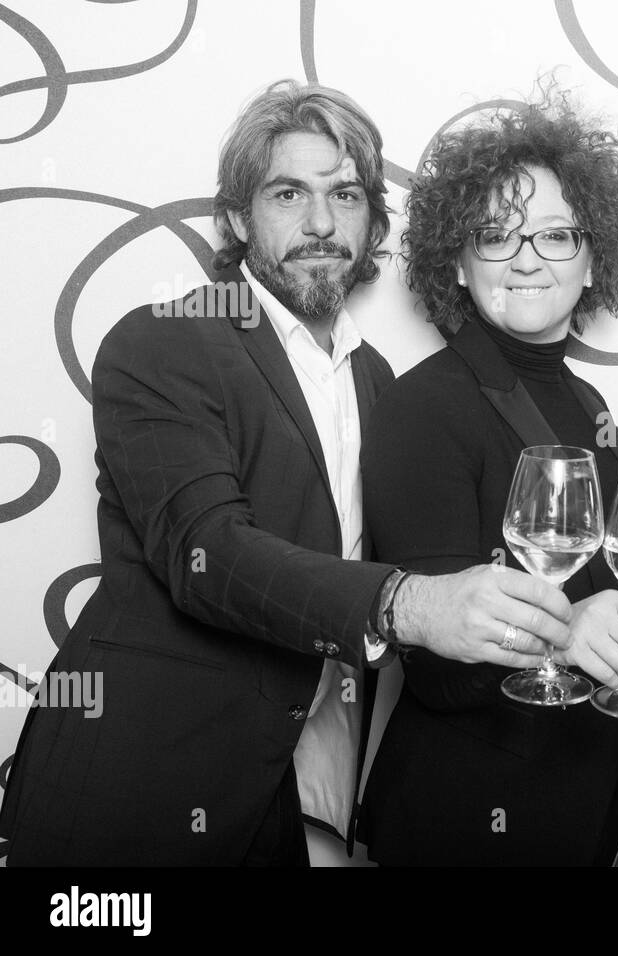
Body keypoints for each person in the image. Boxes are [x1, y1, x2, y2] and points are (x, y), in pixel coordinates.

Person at [0, 80, 574, 866]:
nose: (320, 223)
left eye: (345, 195)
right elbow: (208, 553)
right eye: (287, 194)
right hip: (138, 799)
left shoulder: (379, 386)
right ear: (238, 217)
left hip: (298, 814)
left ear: (372, 218)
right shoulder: (164, 342)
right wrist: (409, 603)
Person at [358, 90, 618, 866]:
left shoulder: (593, 408)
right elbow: (435, 668)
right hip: (459, 826)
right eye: (495, 235)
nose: (526, 258)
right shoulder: (421, 409)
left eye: (555, 235)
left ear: (593, 262)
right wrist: (567, 633)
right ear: (454, 257)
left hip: (591, 815)